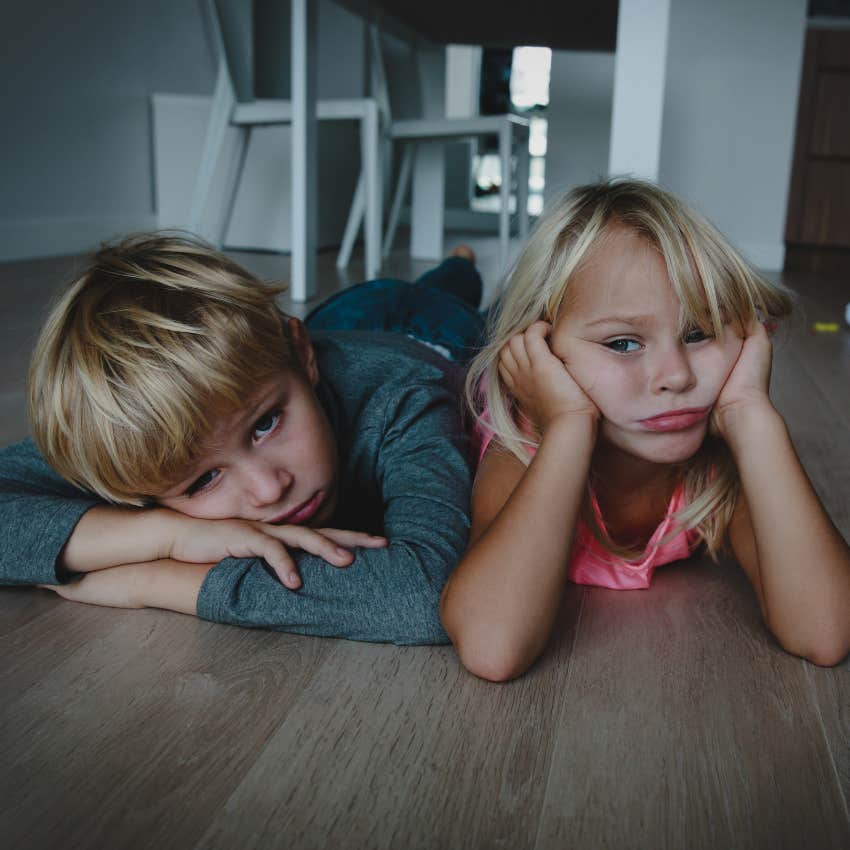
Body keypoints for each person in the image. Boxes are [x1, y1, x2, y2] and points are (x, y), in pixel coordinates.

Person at [439, 178, 850, 681]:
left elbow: (826, 633)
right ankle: (459, 266)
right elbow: (492, 647)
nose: (677, 376)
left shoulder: (722, 468)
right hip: (438, 344)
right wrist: (568, 426)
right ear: (545, 353)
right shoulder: (520, 450)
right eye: (624, 344)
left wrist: (751, 413)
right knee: (445, 311)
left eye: (698, 333)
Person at [0, 234, 485, 645]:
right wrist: (171, 536)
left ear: (301, 356)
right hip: (338, 325)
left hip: (432, 333)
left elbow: (435, 595)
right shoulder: (144, 435)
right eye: (204, 480)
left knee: (454, 292)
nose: (269, 489)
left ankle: (461, 263)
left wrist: (153, 579)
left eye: (266, 423)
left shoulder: (403, 397)